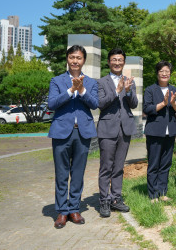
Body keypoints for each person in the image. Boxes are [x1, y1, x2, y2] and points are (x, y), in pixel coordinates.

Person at [48, 45, 99, 229]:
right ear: (67, 59)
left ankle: (74, 208)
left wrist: (82, 90)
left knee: (77, 173)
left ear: (83, 60)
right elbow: (52, 103)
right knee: (61, 173)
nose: (75, 61)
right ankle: (62, 211)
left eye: (78, 58)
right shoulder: (57, 80)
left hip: (82, 132)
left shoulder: (92, 82)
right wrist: (71, 90)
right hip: (61, 132)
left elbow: (95, 104)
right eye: (72, 57)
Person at [96, 48, 138, 217]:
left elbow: (134, 104)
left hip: (125, 128)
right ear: (108, 62)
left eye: (120, 60)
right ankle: (104, 200)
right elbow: (100, 103)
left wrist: (127, 91)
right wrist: (117, 91)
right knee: (106, 166)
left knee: (119, 167)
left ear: (124, 62)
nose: (117, 63)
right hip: (107, 129)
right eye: (114, 60)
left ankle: (116, 198)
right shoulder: (101, 82)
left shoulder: (129, 81)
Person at [143, 61, 176, 202]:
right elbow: (147, 109)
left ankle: (162, 192)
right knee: (154, 163)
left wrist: (173, 103)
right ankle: (153, 195)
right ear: (157, 73)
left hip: (170, 131)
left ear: (170, 74)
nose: (164, 74)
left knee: (166, 163)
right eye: (162, 71)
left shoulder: (174, 89)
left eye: (167, 71)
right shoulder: (150, 90)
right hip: (154, 131)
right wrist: (163, 104)